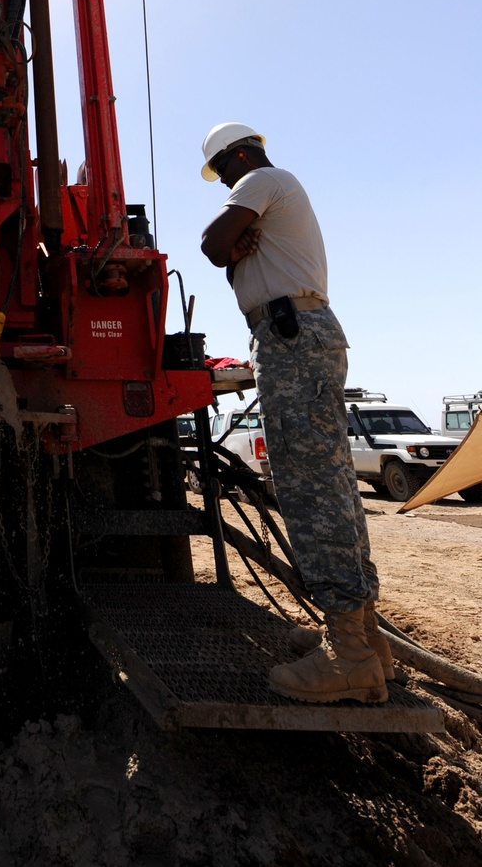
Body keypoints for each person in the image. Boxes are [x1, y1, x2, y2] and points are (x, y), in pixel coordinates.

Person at [199, 123, 391, 705]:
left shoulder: (262, 179)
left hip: (290, 337)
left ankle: (350, 656)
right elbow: (227, 258)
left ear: (238, 155)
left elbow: (211, 245)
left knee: (311, 486)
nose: (225, 184)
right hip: (297, 333)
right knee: (331, 481)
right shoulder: (274, 194)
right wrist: (236, 254)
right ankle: (369, 642)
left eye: (223, 173)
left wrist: (230, 246)